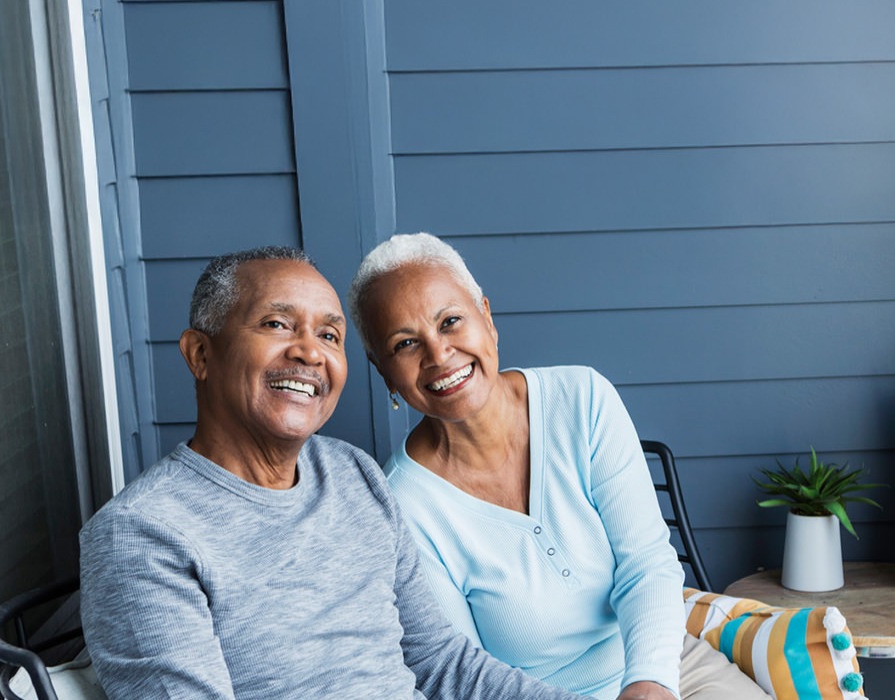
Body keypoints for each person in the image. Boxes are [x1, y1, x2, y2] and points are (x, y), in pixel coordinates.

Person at [79, 246, 583, 700]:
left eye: (329, 334)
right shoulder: (142, 534)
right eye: (277, 324)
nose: (310, 351)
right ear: (201, 354)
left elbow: (441, 662)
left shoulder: (351, 474)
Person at [349, 233, 769, 700]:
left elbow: (646, 563)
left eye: (451, 321)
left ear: (486, 317)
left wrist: (650, 682)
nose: (438, 354)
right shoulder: (404, 507)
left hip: (662, 665)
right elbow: (461, 670)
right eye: (406, 343)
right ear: (382, 370)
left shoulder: (582, 400)